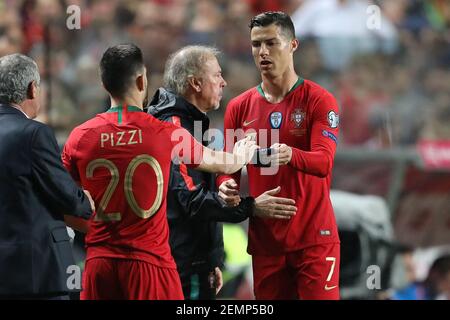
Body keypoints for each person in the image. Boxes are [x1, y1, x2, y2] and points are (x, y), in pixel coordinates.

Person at [62, 44, 256, 300]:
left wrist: (100, 230)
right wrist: (243, 152)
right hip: (149, 264)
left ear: (103, 84)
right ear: (142, 80)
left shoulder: (79, 137)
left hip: (100, 264)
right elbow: (222, 164)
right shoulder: (165, 133)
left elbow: (63, 205)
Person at [147, 45, 297, 300]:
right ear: (195, 83)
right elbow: (191, 202)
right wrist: (251, 207)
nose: (224, 82)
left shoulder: (192, 124)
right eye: (216, 75)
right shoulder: (173, 129)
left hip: (194, 263)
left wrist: (211, 259)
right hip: (179, 267)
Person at [217, 11, 341, 300]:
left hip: (314, 241)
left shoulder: (319, 100)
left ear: (293, 45)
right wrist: (226, 184)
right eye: (256, 44)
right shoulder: (239, 108)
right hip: (266, 244)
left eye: (272, 43)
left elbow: (323, 162)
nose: (262, 52)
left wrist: (289, 154)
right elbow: (229, 168)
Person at [0, 53, 94, 299]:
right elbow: (66, 197)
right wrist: (85, 201)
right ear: (32, 89)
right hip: (37, 274)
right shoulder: (33, 134)